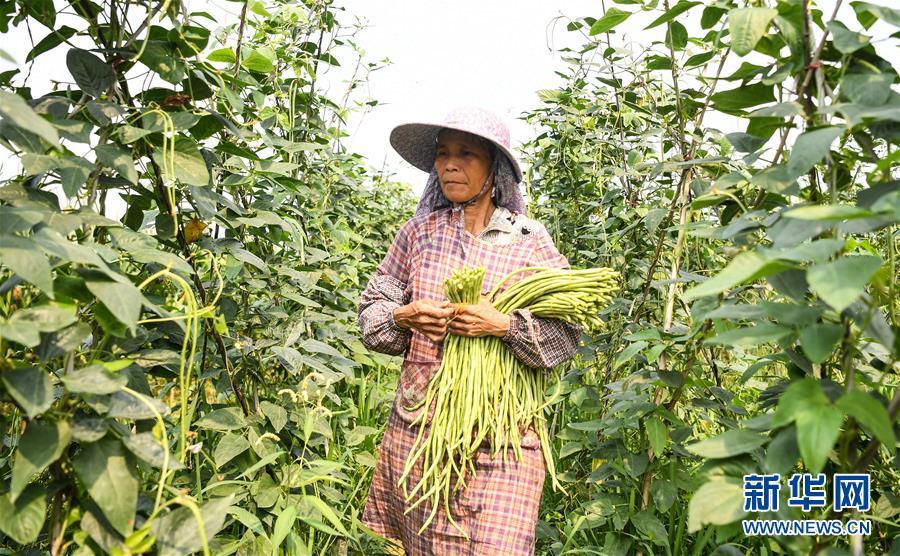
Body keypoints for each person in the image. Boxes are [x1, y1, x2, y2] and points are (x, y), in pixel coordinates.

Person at [357, 106, 580, 555]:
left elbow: (567, 333)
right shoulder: (419, 233)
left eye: (465, 154)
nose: (449, 164)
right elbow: (371, 313)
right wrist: (404, 317)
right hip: (421, 430)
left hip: (504, 436)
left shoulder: (529, 240)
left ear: (494, 168)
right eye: (442, 153)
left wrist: (503, 325)